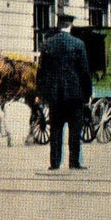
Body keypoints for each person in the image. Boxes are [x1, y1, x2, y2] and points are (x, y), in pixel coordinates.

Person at [36, 13, 92, 170]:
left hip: (55, 95)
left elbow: (41, 72)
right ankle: (74, 162)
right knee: (75, 130)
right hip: (75, 95)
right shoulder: (78, 44)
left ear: (59, 24)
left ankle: (55, 163)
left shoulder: (47, 44)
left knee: (55, 129)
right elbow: (84, 71)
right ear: (70, 25)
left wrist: (42, 93)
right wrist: (87, 93)